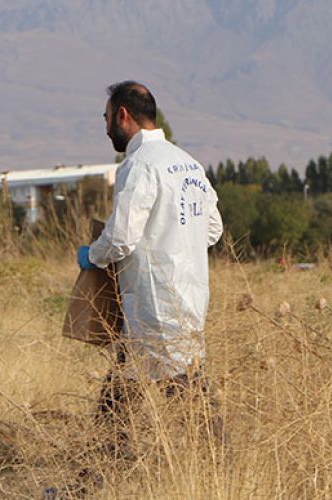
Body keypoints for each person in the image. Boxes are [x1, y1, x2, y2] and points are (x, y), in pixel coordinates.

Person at [79, 81, 223, 419]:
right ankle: (103, 463)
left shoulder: (139, 164)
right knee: (126, 387)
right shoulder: (188, 163)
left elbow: (121, 238)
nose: (106, 128)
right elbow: (213, 229)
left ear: (123, 116)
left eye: (107, 117)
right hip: (190, 294)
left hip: (153, 300)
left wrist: (91, 256)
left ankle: (217, 456)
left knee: (185, 392)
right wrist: (176, 237)